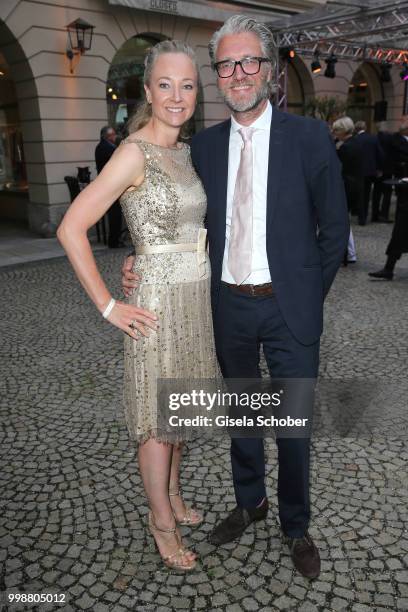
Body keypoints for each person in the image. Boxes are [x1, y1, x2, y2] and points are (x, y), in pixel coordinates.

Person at [122, 16, 349, 579]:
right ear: (218, 75)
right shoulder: (203, 146)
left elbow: (334, 228)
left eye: (250, 62)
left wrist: (304, 294)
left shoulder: (309, 138)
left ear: (269, 72)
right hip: (227, 307)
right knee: (243, 417)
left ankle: (295, 525)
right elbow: (171, 213)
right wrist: (136, 262)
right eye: (227, 64)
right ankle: (250, 503)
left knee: (293, 427)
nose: (239, 73)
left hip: (290, 308)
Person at [58, 40, 220, 572]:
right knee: (155, 421)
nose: (177, 96)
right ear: (148, 91)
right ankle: (160, 520)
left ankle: (173, 495)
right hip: (155, 304)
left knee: (178, 409)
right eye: (166, 85)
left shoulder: (184, 151)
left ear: (197, 92)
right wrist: (108, 306)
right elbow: (71, 228)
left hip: (193, 296)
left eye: (188, 85)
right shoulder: (133, 151)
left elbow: (176, 225)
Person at [369, 119, 408, 280]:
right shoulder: (395, 140)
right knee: (399, 232)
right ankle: (388, 268)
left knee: (400, 232)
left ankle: (388, 268)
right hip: (406, 196)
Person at [332, 116, 362, 264]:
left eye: (336, 130)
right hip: (355, 184)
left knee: (341, 221)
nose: (334, 133)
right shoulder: (355, 143)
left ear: (343, 130)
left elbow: (339, 168)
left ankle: (345, 254)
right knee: (344, 220)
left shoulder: (346, 147)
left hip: (346, 185)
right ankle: (349, 254)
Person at [95, 126, 124, 248]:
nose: (114, 137)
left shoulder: (106, 146)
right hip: (110, 185)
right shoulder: (105, 148)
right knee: (115, 214)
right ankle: (114, 241)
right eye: (111, 135)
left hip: (111, 184)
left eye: (114, 134)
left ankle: (115, 239)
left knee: (116, 214)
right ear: (105, 136)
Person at [354, 120, 384, 224]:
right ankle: (364, 216)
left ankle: (359, 215)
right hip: (370, 171)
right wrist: (379, 168)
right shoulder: (373, 138)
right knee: (366, 194)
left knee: (359, 194)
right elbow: (380, 154)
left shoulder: (355, 139)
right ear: (365, 128)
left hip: (357, 171)